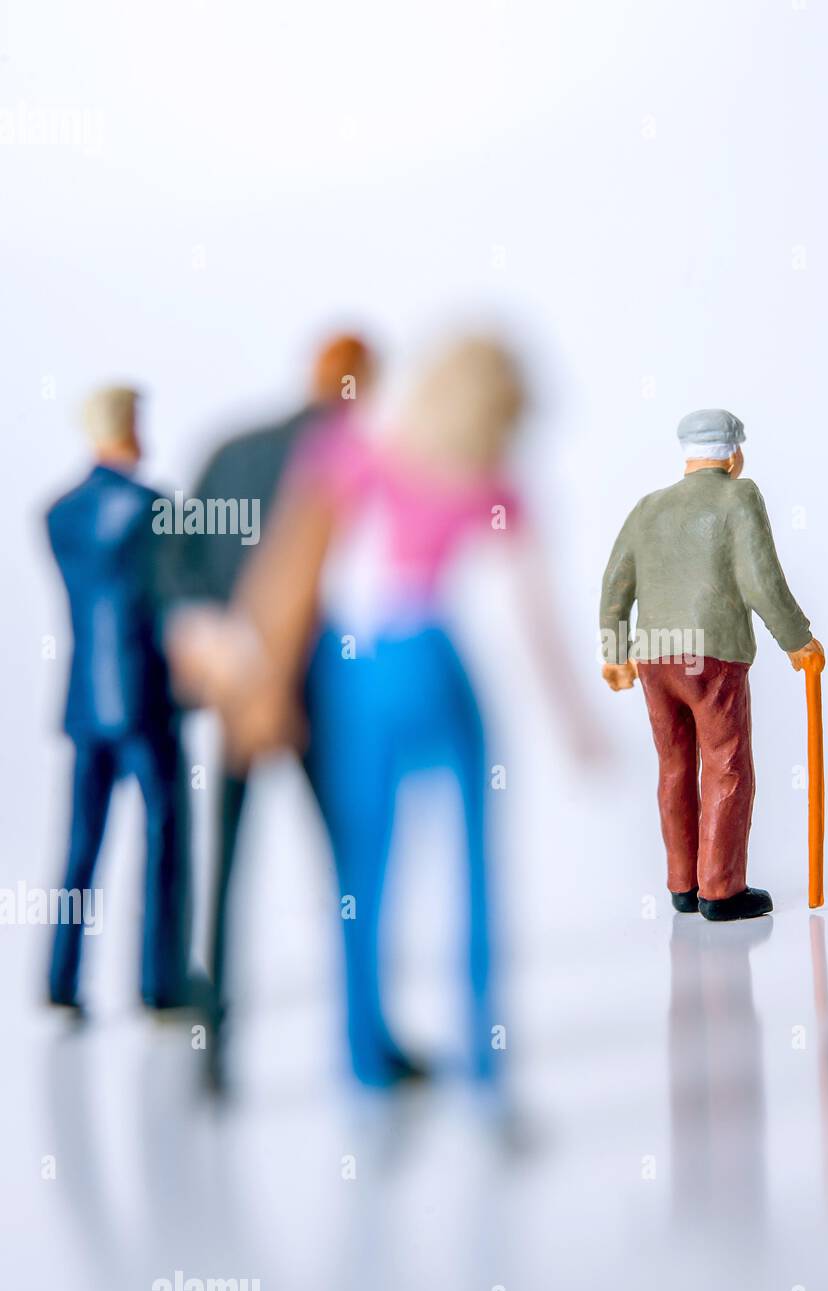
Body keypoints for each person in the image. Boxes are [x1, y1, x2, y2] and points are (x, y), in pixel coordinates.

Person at [172, 335, 594, 1087]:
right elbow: (537, 619)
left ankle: (340, 1052)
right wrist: (576, 722)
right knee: (421, 868)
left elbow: (275, 572)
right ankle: (469, 1061)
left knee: (342, 872)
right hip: (395, 667)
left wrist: (250, 673)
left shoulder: (337, 450)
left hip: (341, 671)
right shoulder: (439, 465)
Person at [169, 333, 375, 1086]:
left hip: (239, 679)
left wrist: (211, 642)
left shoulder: (232, 449)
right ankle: (368, 1035)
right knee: (353, 860)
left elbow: (179, 563)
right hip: (310, 685)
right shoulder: (346, 458)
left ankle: (213, 1045)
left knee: (226, 861)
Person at [599, 409, 823, 921]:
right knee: (726, 764)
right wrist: (798, 640)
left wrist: (615, 654)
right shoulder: (739, 496)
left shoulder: (648, 507)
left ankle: (682, 883)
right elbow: (760, 580)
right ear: (734, 453)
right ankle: (720, 889)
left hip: (654, 657)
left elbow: (615, 585)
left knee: (674, 765)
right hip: (711, 654)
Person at [46, 386, 189, 1011]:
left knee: (81, 843)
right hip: (145, 697)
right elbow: (174, 596)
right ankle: (158, 981)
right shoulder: (153, 509)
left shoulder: (59, 513)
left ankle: (60, 976)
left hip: (84, 697)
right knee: (163, 837)